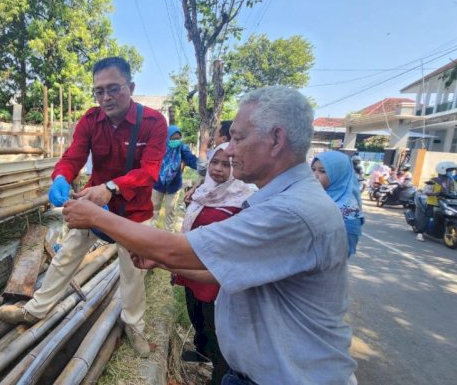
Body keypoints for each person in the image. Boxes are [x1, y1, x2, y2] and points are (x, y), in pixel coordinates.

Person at [63, 86, 357, 384]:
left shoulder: (292, 212)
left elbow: (179, 249)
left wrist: (96, 215)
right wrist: (164, 264)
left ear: (276, 139)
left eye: (238, 138)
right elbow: (223, 269)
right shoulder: (279, 200)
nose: (228, 150)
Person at [0, 56, 168, 357]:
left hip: (135, 214)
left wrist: (111, 187)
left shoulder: (154, 122)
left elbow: (150, 171)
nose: (105, 97)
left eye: (113, 89)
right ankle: (35, 310)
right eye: (99, 91)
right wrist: (61, 177)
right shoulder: (90, 120)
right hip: (94, 206)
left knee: (132, 274)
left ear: (130, 87)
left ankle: (134, 325)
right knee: (66, 257)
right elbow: (73, 156)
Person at [173, 142, 253, 385]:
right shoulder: (202, 192)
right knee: (197, 318)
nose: (218, 169)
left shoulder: (244, 198)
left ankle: (219, 374)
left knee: (218, 331)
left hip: (216, 276)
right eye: (215, 163)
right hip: (192, 268)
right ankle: (202, 354)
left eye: (227, 164)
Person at [312, 151, 364, 257]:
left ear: (339, 174)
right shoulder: (312, 196)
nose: (315, 175)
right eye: (313, 170)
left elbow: (342, 254)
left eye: (322, 171)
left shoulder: (348, 212)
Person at [151, 125, 198, 230]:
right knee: (153, 209)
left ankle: (168, 236)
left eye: (178, 138)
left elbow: (191, 160)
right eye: (173, 138)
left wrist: (204, 166)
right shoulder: (159, 147)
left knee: (170, 211)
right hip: (157, 183)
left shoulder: (181, 148)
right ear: (167, 137)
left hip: (174, 185)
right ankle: (151, 232)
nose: (176, 141)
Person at [417, 161, 457, 242]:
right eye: (449, 170)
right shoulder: (433, 181)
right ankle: (420, 233)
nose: (451, 172)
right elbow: (426, 190)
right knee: (429, 217)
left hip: (447, 203)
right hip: (433, 203)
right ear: (443, 170)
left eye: (451, 170)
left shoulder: (451, 181)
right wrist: (433, 193)